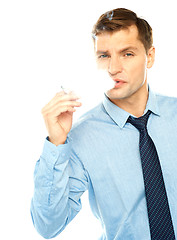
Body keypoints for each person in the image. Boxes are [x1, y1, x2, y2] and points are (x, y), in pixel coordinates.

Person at [30, 8, 177, 239]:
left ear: (150, 56)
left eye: (127, 54)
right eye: (104, 56)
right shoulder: (81, 136)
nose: (113, 68)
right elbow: (48, 226)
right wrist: (56, 142)